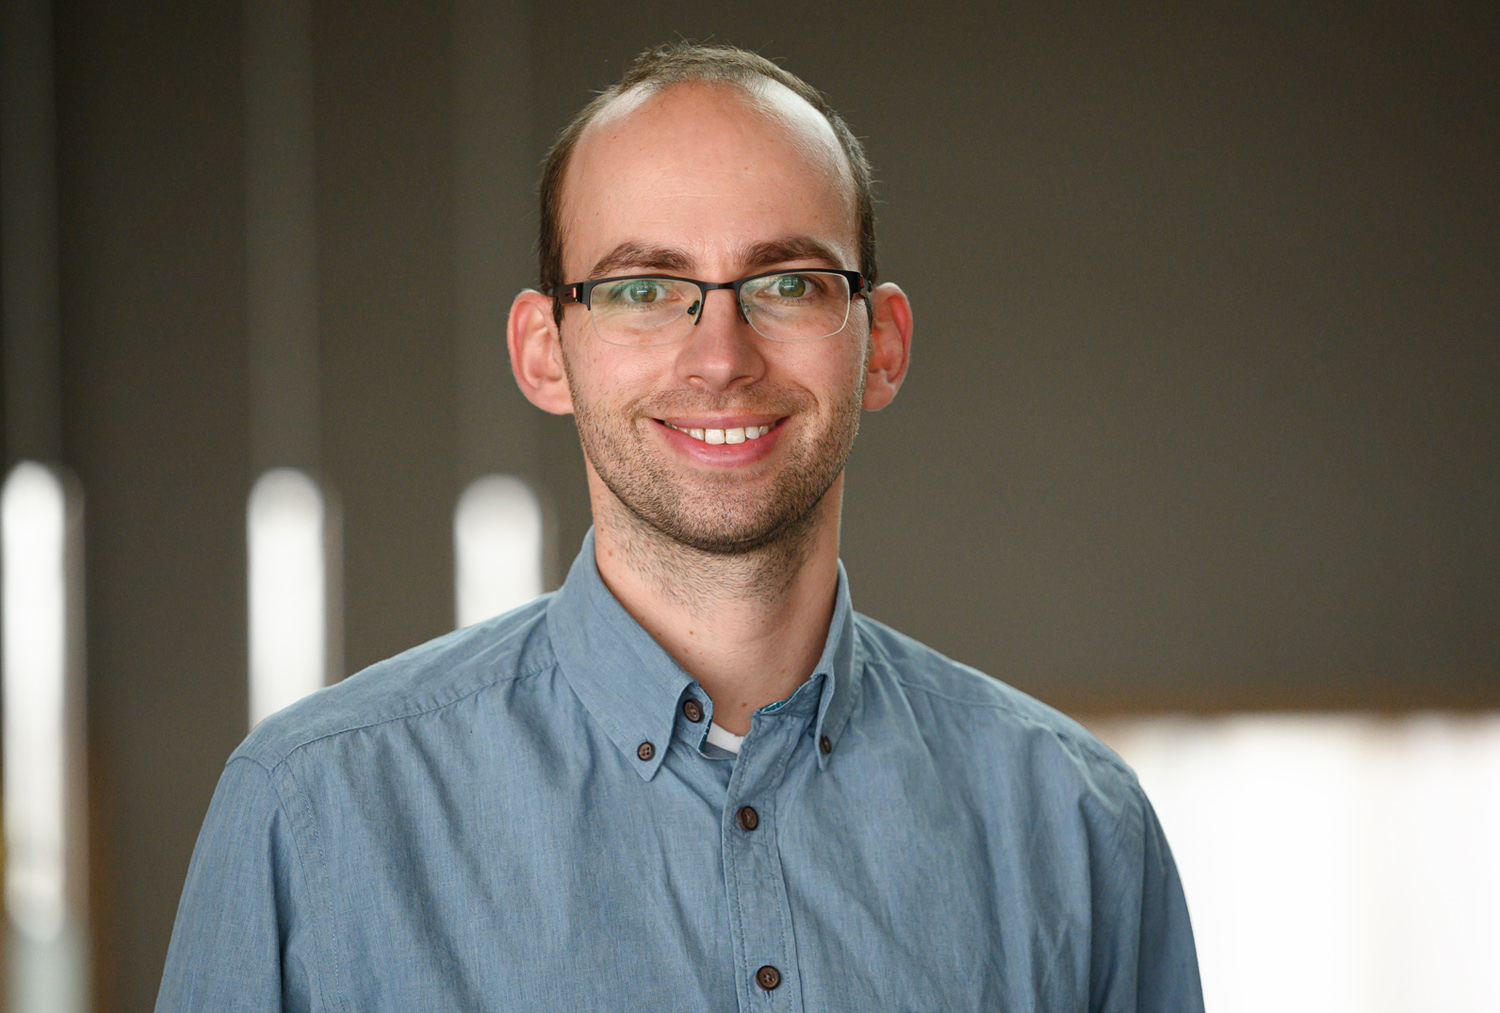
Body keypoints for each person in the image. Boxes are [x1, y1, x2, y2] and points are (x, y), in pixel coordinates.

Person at [157, 42, 1203, 1012]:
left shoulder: (1076, 826)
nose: (720, 357)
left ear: (880, 344)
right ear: (543, 351)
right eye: (645, 287)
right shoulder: (313, 810)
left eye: (787, 282)